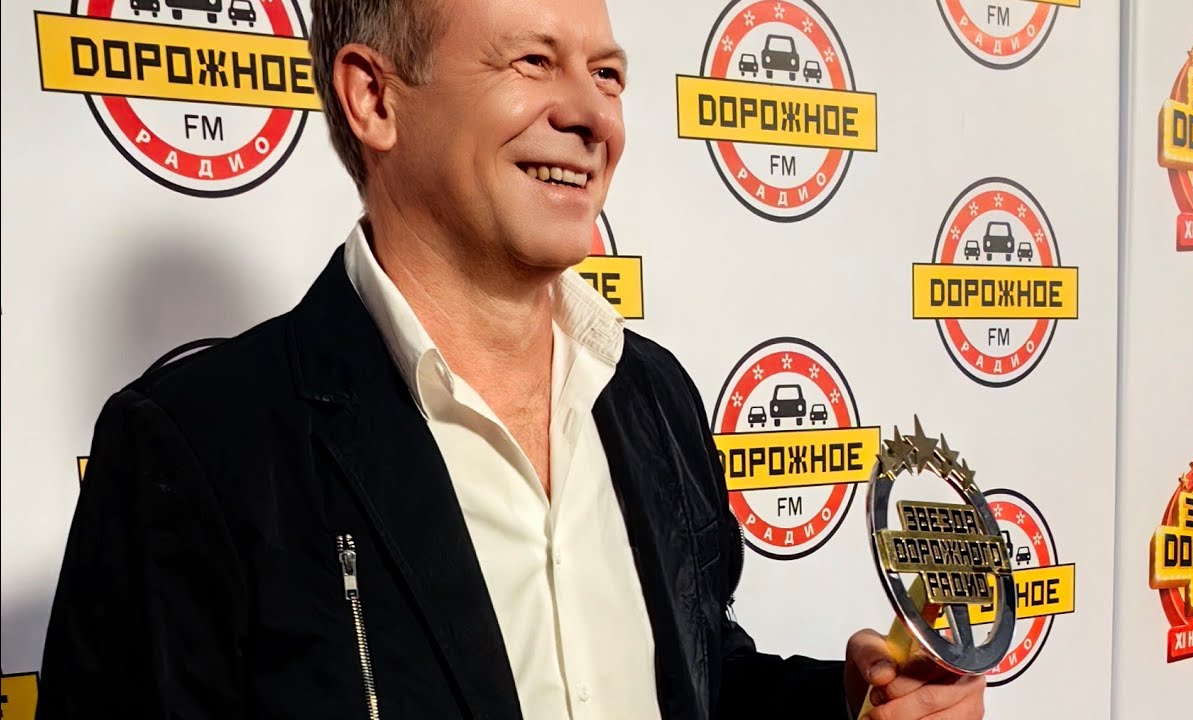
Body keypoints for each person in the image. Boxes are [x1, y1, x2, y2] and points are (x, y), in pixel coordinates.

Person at [36, 1, 987, 718]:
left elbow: (695, 678)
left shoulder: (652, 395)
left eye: (607, 74)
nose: (591, 114)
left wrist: (849, 704)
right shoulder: (194, 448)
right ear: (374, 98)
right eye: (533, 60)